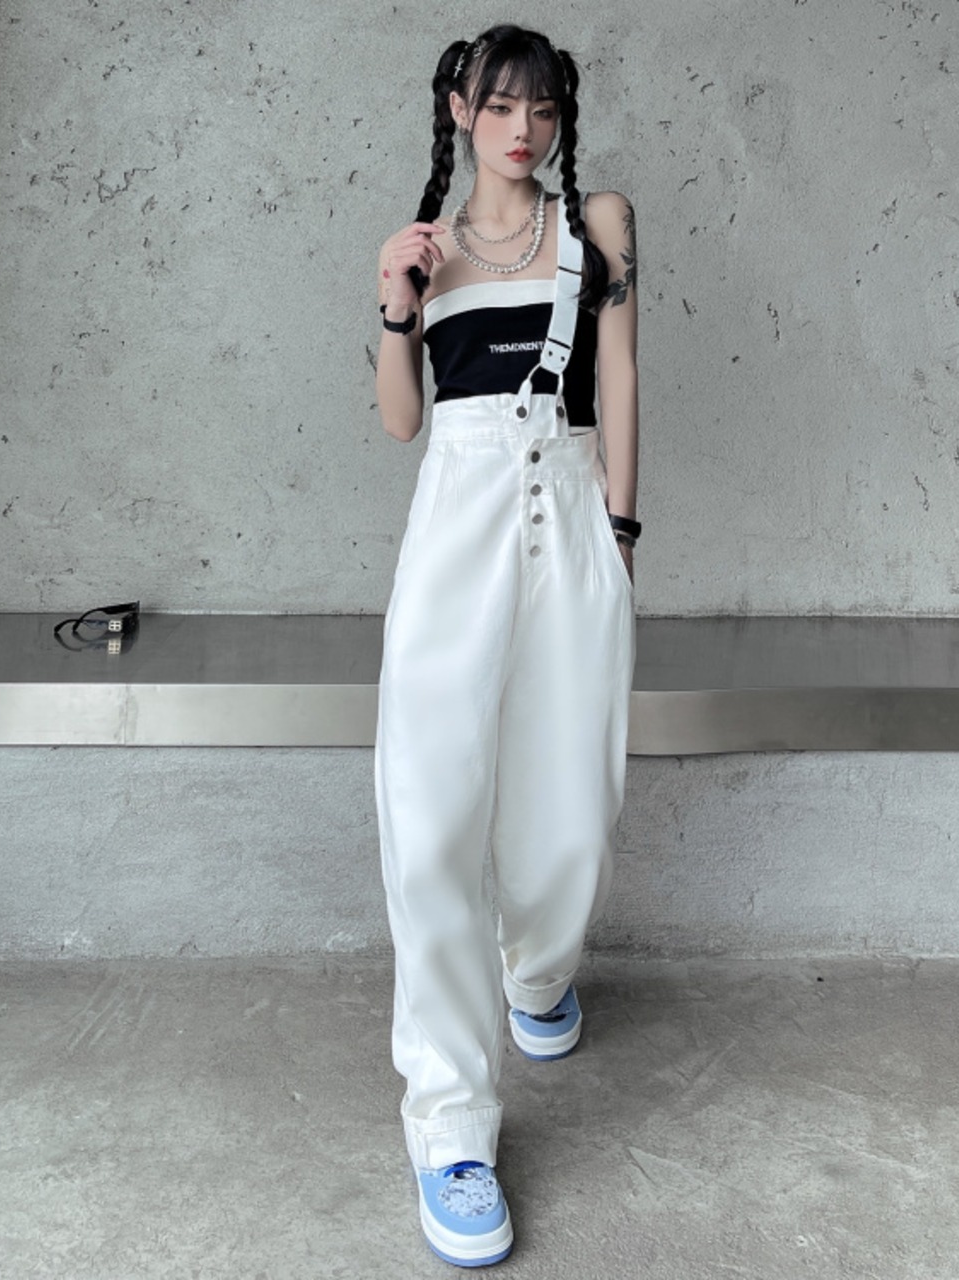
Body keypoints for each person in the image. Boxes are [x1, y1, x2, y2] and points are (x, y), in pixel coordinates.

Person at [372, 23, 639, 1268]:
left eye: (540, 108)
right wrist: (395, 304)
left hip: (569, 516)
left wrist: (620, 537)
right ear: (457, 110)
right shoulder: (424, 249)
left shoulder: (597, 224)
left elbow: (619, 376)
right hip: (457, 526)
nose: (519, 130)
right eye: (496, 106)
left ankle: (536, 971)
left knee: (568, 816)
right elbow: (398, 419)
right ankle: (450, 1124)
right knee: (430, 817)